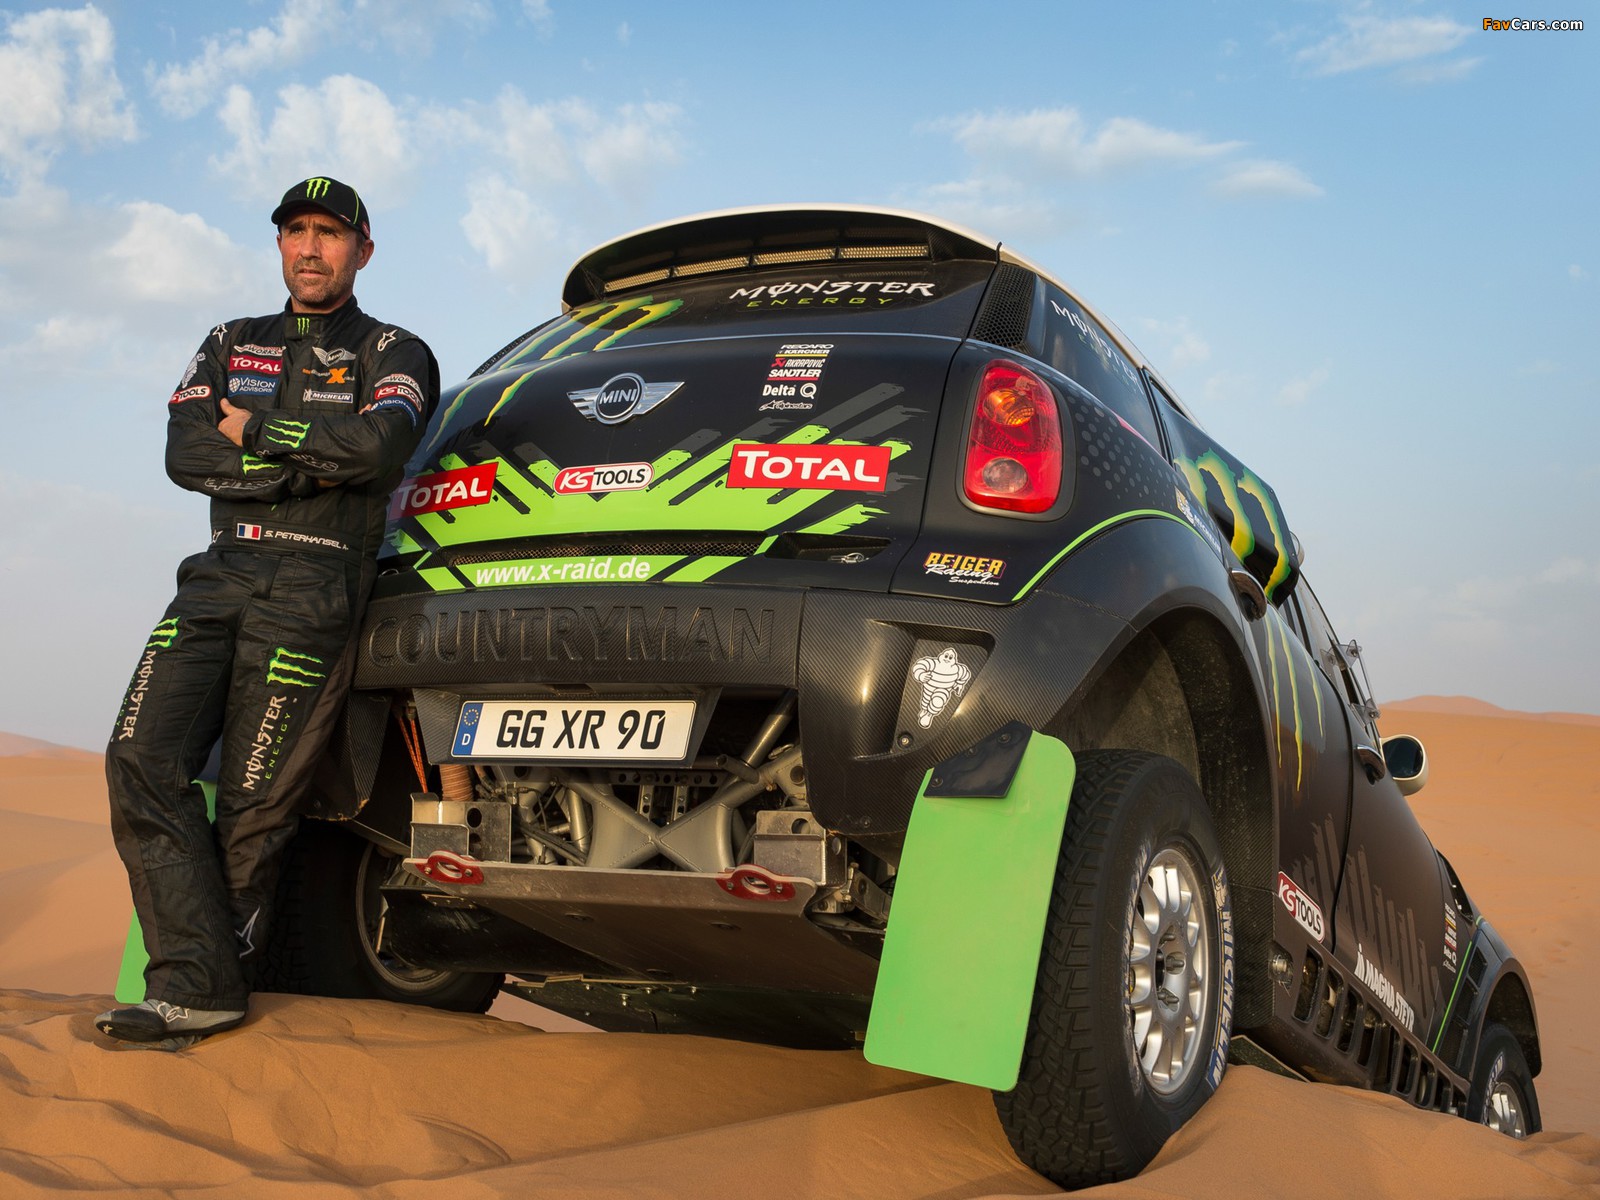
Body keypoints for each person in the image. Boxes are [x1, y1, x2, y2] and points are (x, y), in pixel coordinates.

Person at [97, 177, 439, 1049]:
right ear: (280, 243)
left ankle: (196, 990)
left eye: (330, 232)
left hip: (317, 584)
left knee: (255, 803)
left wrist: (254, 431)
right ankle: (205, 977)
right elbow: (184, 452)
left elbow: (379, 449)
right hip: (217, 574)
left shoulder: (396, 349)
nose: (311, 248)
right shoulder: (230, 340)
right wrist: (309, 468)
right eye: (296, 231)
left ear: (363, 249)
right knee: (139, 756)